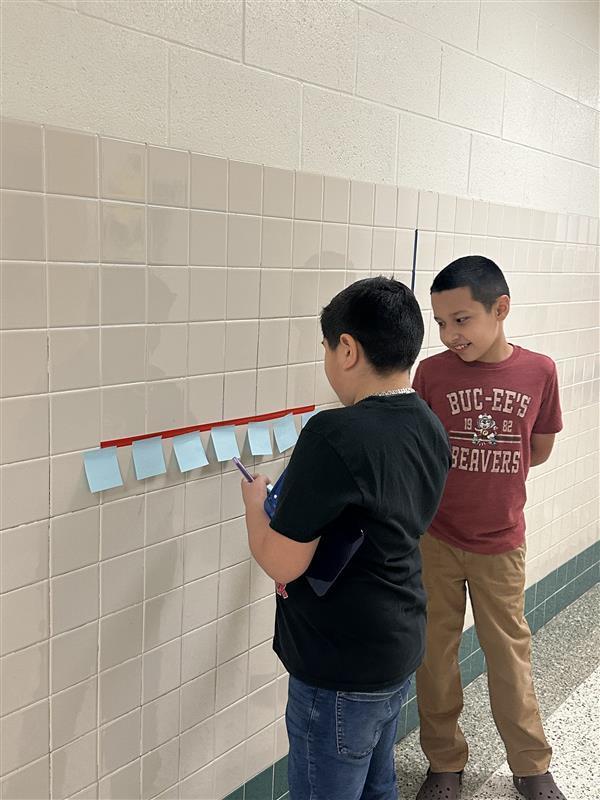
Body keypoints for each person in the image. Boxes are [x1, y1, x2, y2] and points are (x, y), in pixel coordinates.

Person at [240, 277, 451, 800]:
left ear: (348, 349)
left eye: (327, 348)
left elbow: (283, 563)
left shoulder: (334, 433)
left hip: (340, 666)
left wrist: (254, 508)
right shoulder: (428, 423)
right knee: (378, 785)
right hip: (398, 643)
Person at [412, 256, 565, 800]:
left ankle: (530, 766)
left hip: (501, 543)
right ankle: (443, 762)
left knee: (509, 657)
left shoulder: (539, 371)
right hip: (436, 539)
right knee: (434, 657)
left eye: (461, 320)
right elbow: (421, 451)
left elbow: (538, 449)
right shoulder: (431, 375)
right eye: (440, 323)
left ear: (500, 309)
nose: (450, 334)